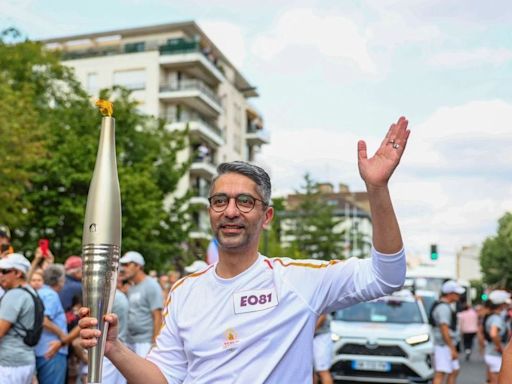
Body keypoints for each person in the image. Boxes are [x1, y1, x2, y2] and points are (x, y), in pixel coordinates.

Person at [79, 117, 410, 383]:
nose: (231, 211)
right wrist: (114, 349)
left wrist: (376, 189)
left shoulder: (297, 280)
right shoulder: (184, 292)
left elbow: (386, 276)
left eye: (245, 202)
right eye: (220, 201)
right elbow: (163, 378)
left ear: (266, 216)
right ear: (210, 212)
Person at [0, 253, 38, 384]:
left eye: (4, 271)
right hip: (24, 360)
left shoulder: (14, 295)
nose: (0, 275)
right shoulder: (29, 291)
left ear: (17, 273)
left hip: (9, 365)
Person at [118, 251, 163, 357]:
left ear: (138, 266)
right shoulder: (131, 286)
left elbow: (158, 316)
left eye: (127, 264)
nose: (124, 268)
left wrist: (154, 343)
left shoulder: (151, 285)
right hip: (129, 341)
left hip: (145, 342)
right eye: (123, 265)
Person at [35, 264, 69, 384]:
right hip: (51, 351)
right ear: (59, 281)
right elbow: (44, 320)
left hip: (40, 349)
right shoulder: (51, 295)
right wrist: (63, 336)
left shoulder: (38, 292)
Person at [431, 280, 465, 384]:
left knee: (454, 370)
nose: (459, 295)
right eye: (457, 293)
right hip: (443, 345)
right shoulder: (443, 308)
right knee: (440, 373)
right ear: (450, 294)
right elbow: (444, 328)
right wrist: (452, 348)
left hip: (445, 344)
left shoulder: (443, 306)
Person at [483, 290, 511, 384]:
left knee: (491, 380)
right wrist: (500, 348)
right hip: (495, 355)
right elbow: (493, 334)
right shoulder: (496, 318)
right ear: (501, 304)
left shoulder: (490, 316)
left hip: (490, 352)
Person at [313, 314, 333, 384]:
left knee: (322, 371)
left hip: (321, 337)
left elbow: (323, 316)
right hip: (312, 337)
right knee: (312, 372)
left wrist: (311, 331)